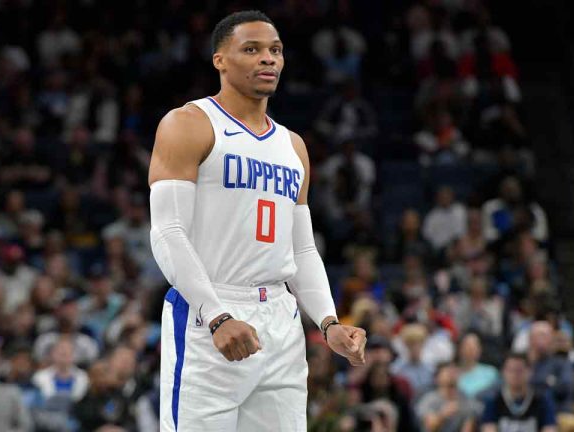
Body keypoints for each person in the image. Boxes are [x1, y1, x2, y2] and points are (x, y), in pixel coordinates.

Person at [148, 10, 367, 431]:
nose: (268, 59)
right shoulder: (188, 124)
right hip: (209, 314)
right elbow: (167, 232)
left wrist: (328, 321)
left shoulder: (293, 146)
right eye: (251, 49)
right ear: (220, 60)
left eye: (276, 50)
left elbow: (302, 249)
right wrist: (217, 315)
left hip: (281, 320)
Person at [481, 353, 557, 432]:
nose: (515, 375)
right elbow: (488, 428)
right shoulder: (494, 399)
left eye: (519, 370)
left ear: (530, 371)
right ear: (503, 372)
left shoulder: (542, 399)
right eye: (510, 370)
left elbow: (549, 428)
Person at [416, 362, 479, 432]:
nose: (452, 374)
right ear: (437, 378)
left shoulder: (465, 400)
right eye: (448, 371)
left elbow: (468, 426)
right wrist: (443, 415)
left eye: (454, 371)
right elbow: (429, 428)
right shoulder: (428, 400)